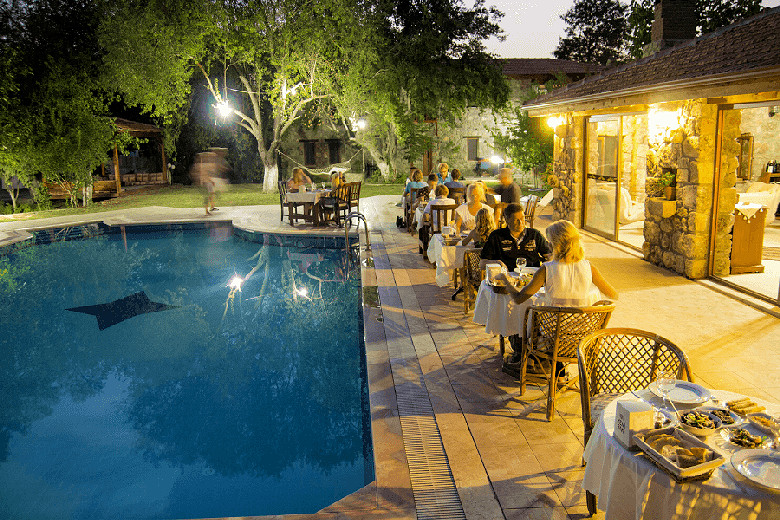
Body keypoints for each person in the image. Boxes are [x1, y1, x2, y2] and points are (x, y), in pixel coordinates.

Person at [497, 220, 618, 373]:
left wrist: (506, 281)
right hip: (582, 338)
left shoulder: (547, 269)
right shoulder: (589, 267)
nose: (548, 245)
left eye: (549, 242)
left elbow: (519, 298)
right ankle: (553, 368)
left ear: (556, 244)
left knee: (520, 317)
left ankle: (528, 360)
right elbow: (612, 293)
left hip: (552, 339)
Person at [480, 202, 551, 270]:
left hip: (532, 277)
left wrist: (546, 266)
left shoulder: (534, 235)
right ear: (507, 220)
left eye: (522, 218)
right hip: (506, 276)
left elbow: (549, 255)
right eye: (516, 220)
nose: (521, 223)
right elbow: (482, 264)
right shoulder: (496, 236)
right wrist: (497, 262)